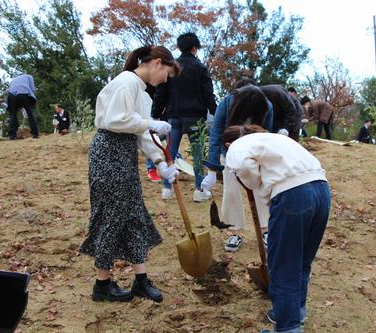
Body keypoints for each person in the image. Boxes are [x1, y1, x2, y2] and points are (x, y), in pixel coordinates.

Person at [79, 45, 180, 303]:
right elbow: (116, 120)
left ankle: (141, 281)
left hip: (123, 153)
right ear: (157, 63)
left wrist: (159, 162)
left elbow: (141, 132)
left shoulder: (141, 91)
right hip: (108, 152)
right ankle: (102, 285)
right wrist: (150, 123)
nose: (164, 80)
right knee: (111, 216)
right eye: (166, 74)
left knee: (134, 213)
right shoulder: (126, 82)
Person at [223, 125, 330, 333]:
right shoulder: (269, 139)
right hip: (322, 190)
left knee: (283, 267)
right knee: (301, 262)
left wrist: (253, 182)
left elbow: (244, 167)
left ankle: (288, 328)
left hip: (293, 196)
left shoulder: (236, 146)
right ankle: (294, 313)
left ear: (228, 144)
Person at [201, 84, 273, 252]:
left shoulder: (266, 106)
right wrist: (212, 171)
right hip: (229, 152)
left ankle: (266, 230)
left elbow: (267, 135)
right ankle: (234, 232)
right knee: (231, 191)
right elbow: (216, 135)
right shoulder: (226, 103)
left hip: (255, 155)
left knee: (261, 190)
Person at [153, 32, 217, 202]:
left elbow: (161, 92)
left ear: (180, 47)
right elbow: (208, 94)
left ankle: (167, 189)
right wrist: (216, 113)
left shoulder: (172, 68)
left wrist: (155, 114)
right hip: (195, 117)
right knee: (197, 154)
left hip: (173, 116)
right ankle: (199, 190)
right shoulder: (200, 68)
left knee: (170, 153)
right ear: (195, 48)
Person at [7, 73, 39, 139]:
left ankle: (12, 135)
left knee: (13, 115)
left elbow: (9, 90)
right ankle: (35, 134)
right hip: (23, 94)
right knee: (30, 113)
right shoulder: (29, 76)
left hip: (11, 96)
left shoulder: (13, 80)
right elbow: (32, 89)